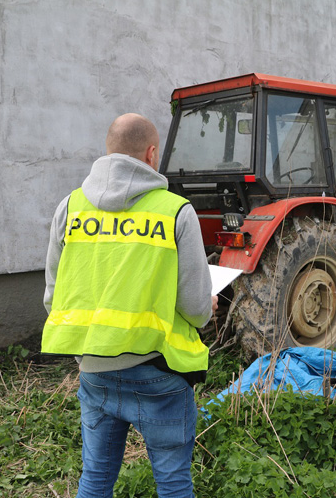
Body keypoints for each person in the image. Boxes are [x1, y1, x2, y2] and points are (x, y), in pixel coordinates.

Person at [41, 113, 217, 498]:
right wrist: (209, 302)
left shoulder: (69, 208)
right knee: (172, 484)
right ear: (152, 154)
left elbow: (54, 299)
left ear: (107, 152)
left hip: (94, 371)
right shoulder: (175, 211)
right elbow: (196, 309)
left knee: (95, 480)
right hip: (158, 373)